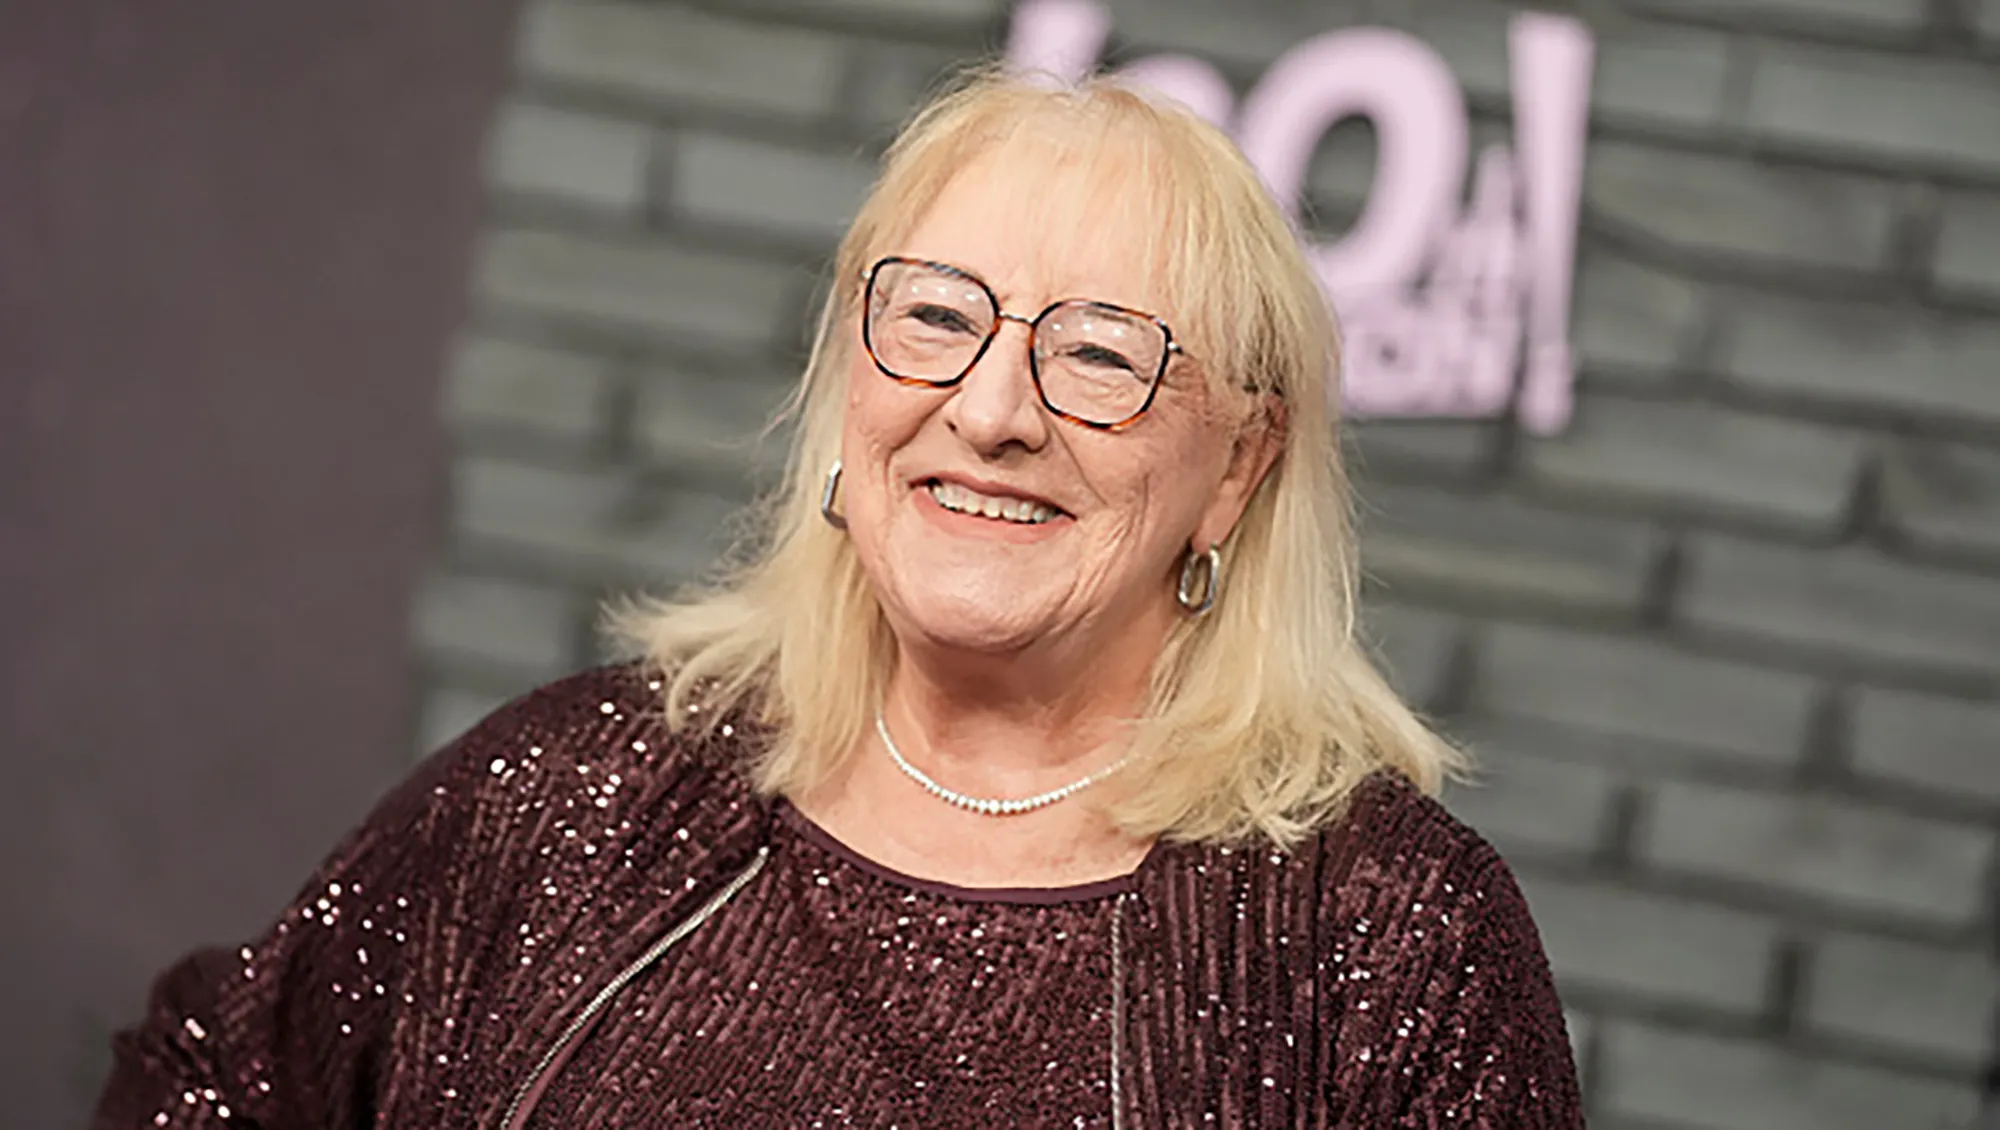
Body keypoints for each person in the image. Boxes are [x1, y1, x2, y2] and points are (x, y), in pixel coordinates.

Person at [96, 66, 1583, 1128]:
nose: (989, 410)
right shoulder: (578, 797)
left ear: (1238, 465)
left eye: (1100, 352)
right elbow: (214, 1080)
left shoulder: (1391, 938)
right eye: (935, 316)